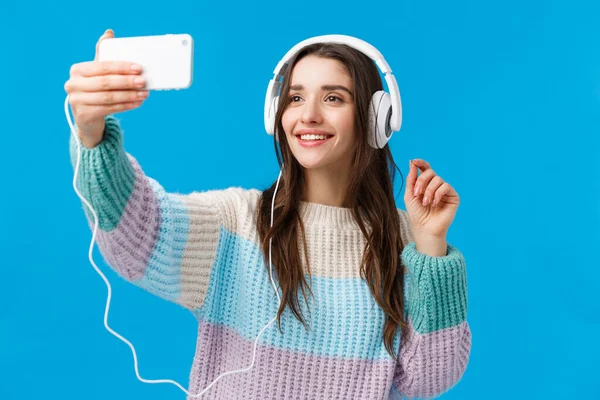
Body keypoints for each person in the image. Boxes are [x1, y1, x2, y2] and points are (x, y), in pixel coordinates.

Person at [64, 29, 472, 399]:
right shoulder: (236, 223)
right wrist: (90, 132)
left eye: (333, 98)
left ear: (375, 118)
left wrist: (431, 245)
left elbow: (429, 380)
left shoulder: (406, 243)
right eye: (295, 97)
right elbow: (133, 231)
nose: (308, 114)